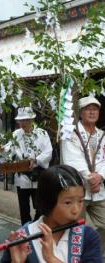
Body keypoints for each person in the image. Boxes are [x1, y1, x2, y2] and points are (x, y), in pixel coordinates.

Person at [1, 165, 102, 262]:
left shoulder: (88, 237)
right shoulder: (22, 238)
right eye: (68, 203)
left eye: (80, 201)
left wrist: (51, 258)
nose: (76, 210)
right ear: (47, 202)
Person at [61, 96, 105, 251]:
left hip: (99, 189)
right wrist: (90, 177)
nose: (92, 112)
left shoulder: (102, 135)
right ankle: (76, 257)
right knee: (76, 230)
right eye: (88, 109)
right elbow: (72, 160)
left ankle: (96, 255)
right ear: (80, 113)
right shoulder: (70, 133)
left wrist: (100, 176)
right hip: (78, 191)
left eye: (95, 109)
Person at [5, 107, 52, 225]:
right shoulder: (16, 134)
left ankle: (36, 228)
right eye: (21, 120)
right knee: (24, 207)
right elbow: (8, 149)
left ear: (32, 120)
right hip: (22, 176)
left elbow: (48, 152)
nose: (23, 123)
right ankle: (25, 231)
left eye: (26, 120)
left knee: (40, 206)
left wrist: (36, 160)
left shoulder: (42, 133)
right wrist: (2, 150)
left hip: (38, 174)